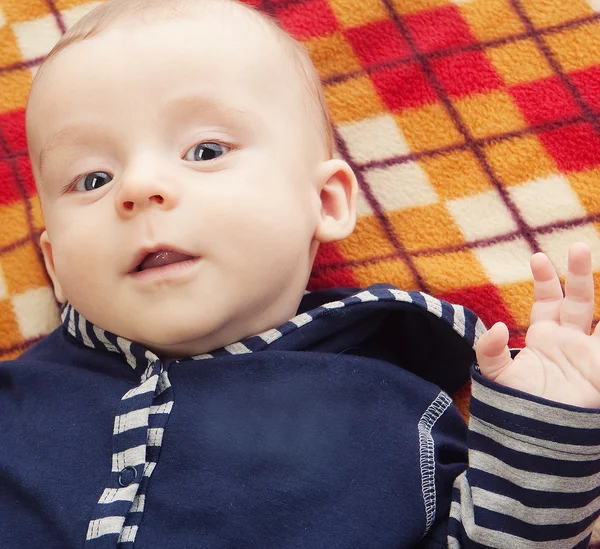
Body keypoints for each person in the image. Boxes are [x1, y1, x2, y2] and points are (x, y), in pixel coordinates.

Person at [2, 0, 600, 547]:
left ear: (327, 203)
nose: (137, 188)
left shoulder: (389, 415)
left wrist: (542, 437)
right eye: (92, 179)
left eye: (206, 151)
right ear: (55, 264)